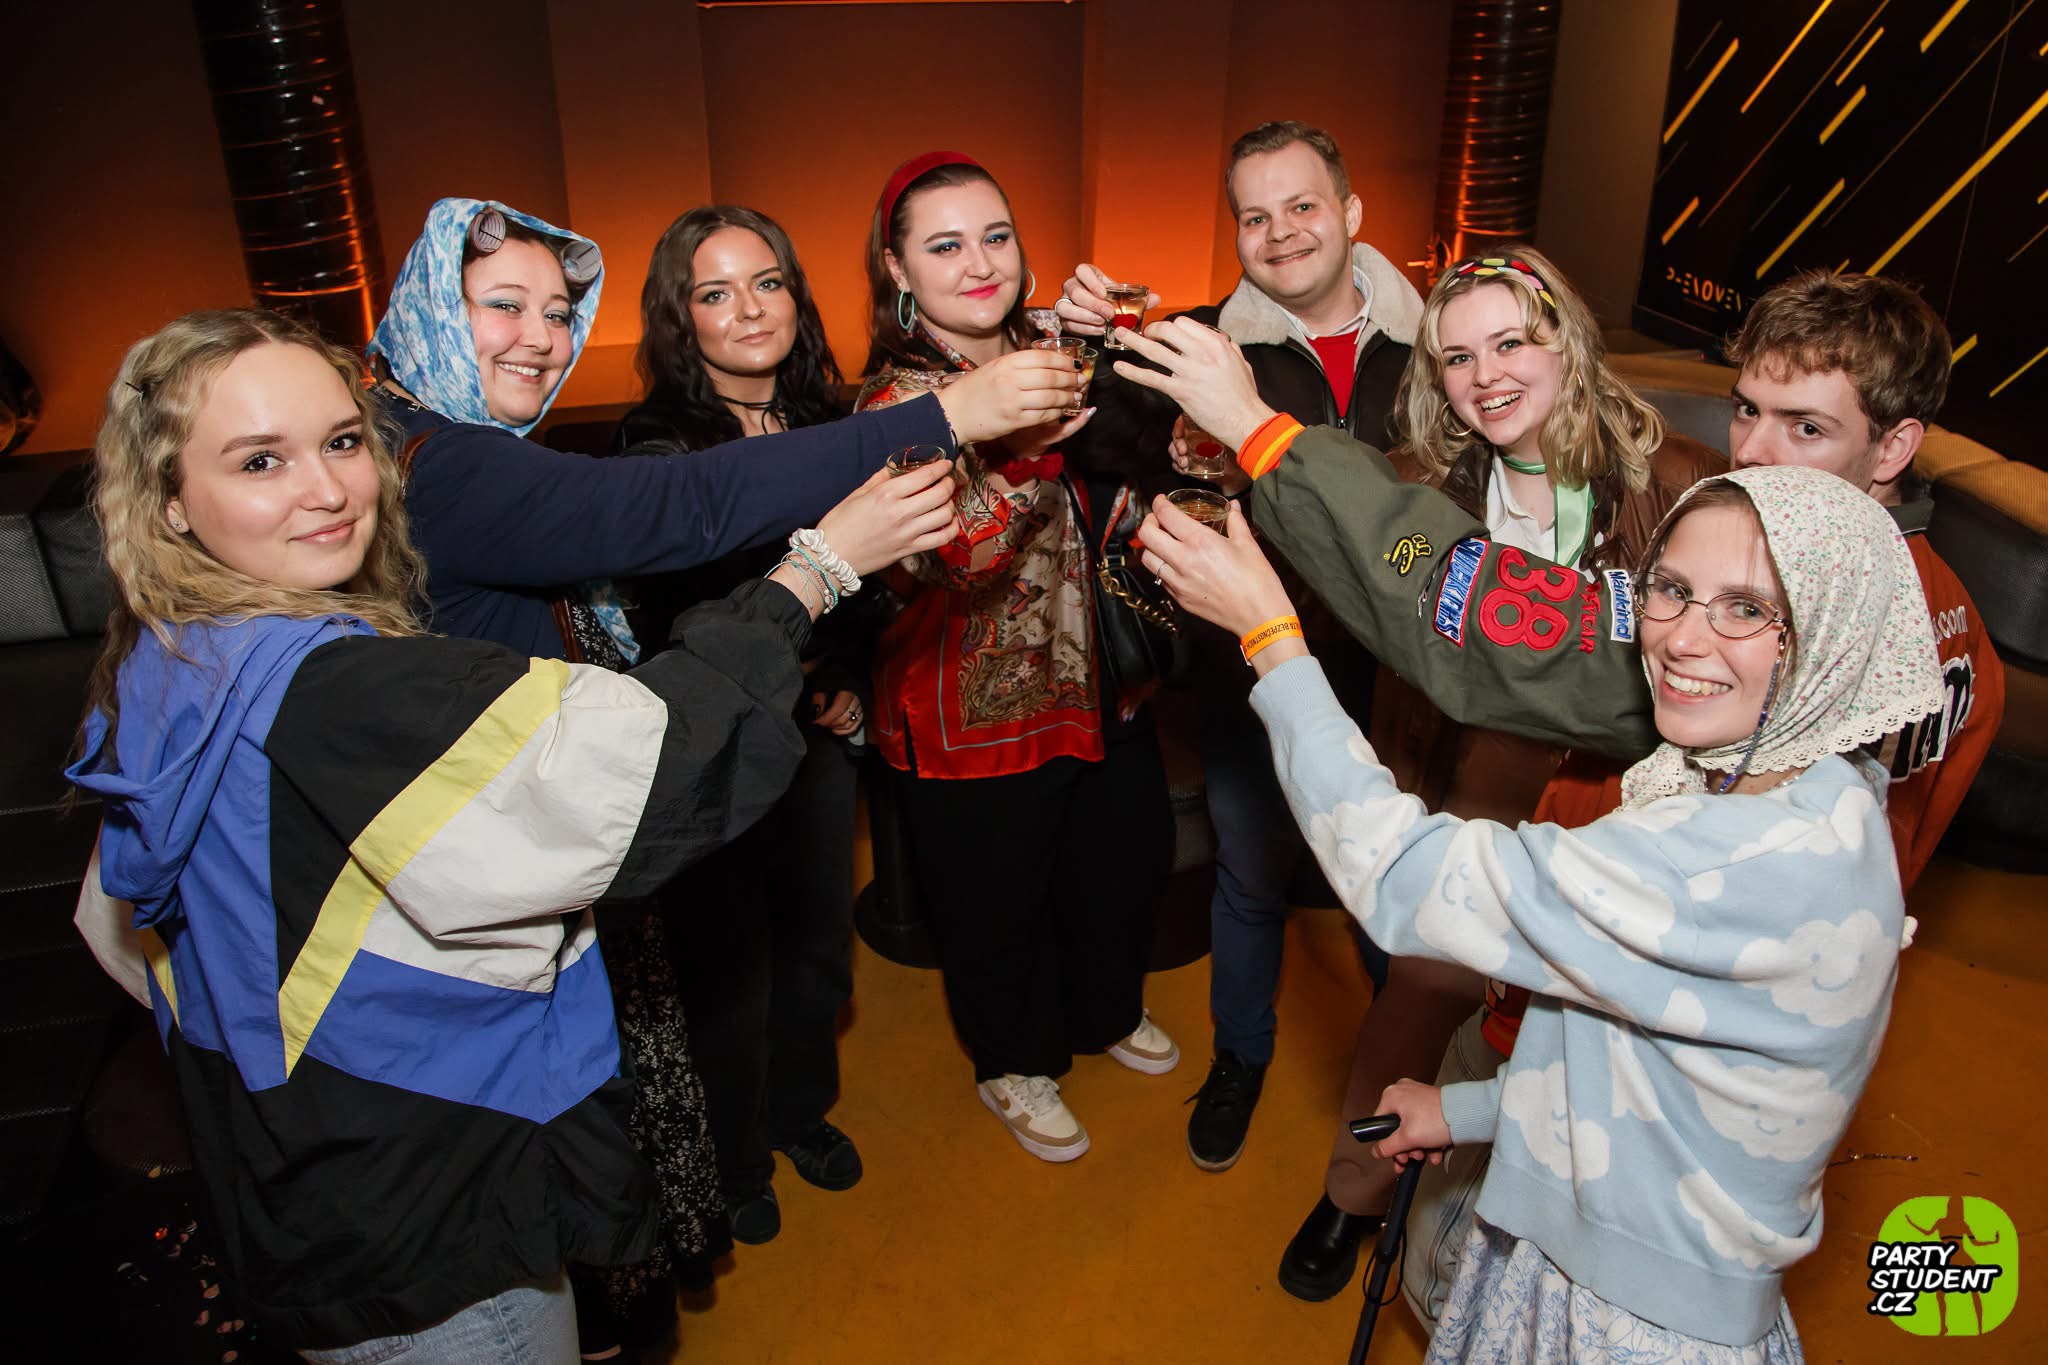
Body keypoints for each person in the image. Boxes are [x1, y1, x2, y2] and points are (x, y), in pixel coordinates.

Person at [66, 308, 961, 1361]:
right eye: (261, 460)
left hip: (302, 1182)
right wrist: (817, 568)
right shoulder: (341, 693)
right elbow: (649, 763)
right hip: (431, 1226)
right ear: (169, 500)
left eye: (343, 441)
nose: (327, 489)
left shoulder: (166, 652)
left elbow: (115, 925)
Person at [1109, 268, 2004, 1313]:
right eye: (1748, 412)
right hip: (1615, 955)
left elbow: (1492, 629)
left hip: (1625, 1110)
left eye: (1805, 427)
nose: (1756, 452)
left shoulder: (1727, 542)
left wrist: (1265, 488)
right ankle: (1359, 1193)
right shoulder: (1922, 619)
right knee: (1427, 1034)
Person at [364, 197, 1074, 1348]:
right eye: (501, 306)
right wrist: (946, 417)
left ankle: (780, 1131)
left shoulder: (472, 444)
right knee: (713, 993)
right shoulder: (456, 465)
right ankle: (721, 1186)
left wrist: (840, 663)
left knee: (807, 956)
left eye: (554, 312)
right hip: (590, 814)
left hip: (660, 778)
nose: (537, 336)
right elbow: (678, 523)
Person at [1275, 247, 1722, 1300]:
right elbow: (1363, 594)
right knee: (1419, 995)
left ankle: (1547, 1224)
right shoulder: (1422, 483)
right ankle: (1354, 1189)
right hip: (1466, 773)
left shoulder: (1676, 483)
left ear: (1566, 339)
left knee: (1577, 1027)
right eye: (1458, 357)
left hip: (1605, 796)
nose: (1486, 377)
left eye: (1511, 342)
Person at [1056, 120, 1419, 1177]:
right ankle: (1241, 1057)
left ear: (1350, 212)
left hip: (1402, 685)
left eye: (1302, 205)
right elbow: (1093, 440)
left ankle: (1403, 1083)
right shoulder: (1201, 343)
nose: (1281, 232)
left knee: (1396, 896)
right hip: (1254, 672)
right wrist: (1084, 345)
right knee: (1251, 881)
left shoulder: (1441, 344)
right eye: (1254, 216)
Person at [857, 151, 1178, 1162]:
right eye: (945, 245)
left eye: (995, 235)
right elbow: (952, 557)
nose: (979, 263)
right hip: (969, 708)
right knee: (994, 903)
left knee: (1117, 863)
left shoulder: (1053, 347)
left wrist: (1126, 349)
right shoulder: (894, 404)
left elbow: (1140, 459)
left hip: (1097, 674)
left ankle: (1105, 1008)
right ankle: (1010, 1060)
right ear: (898, 269)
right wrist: (1031, 446)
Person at [615, 205, 871, 1247]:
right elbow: (677, 611)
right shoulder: (658, 442)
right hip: (711, 748)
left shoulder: (828, 417)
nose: (749, 309)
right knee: (730, 965)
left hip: (815, 742)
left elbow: (867, 583)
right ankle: (732, 1159)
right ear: (682, 319)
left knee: (817, 946)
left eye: (767, 283)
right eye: (714, 293)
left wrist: (844, 678)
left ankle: (799, 1113)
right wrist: (798, 680)